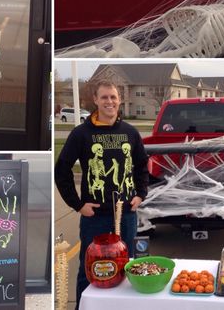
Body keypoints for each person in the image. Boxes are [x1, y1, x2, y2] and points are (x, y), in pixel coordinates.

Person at [55, 79, 149, 310]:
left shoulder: (130, 132)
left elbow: (141, 165)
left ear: (120, 100)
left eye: (113, 97)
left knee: (126, 266)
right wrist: (77, 204)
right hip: (95, 217)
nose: (110, 102)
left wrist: (140, 195)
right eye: (104, 97)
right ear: (95, 100)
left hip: (126, 214)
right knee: (89, 268)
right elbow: (62, 169)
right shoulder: (82, 134)